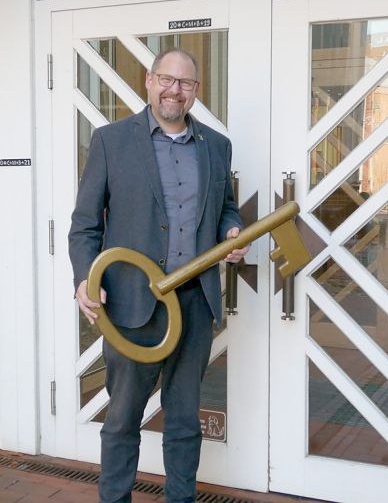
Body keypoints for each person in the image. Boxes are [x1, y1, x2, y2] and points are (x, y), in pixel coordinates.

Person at [69, 47, 249, 503]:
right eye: (167, 80)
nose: (175, 90)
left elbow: (225, 205)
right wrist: (83, 281)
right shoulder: (112, 141)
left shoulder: (216, 146)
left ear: (196, 91)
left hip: (192, 300)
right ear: (149, 81)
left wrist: (232, 228)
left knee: (184, 418)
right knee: (123, 417)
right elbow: (85, 225)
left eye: (185, 83)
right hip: (132, 302)